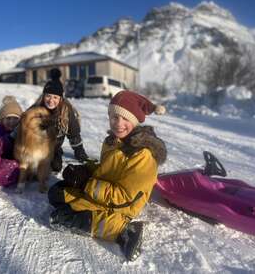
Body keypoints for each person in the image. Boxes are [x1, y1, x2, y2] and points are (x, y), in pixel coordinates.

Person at [47, 90, 167, 261]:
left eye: (126, 118)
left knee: (59, 218)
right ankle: (93, 213)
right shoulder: (112, 141)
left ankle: (123, 231)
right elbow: (106, 169)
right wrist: (84, 170)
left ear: (135, 121)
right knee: (56, 193)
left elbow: (125, 198)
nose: (118, 123)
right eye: (114, 117)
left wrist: (85, 183)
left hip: (121, 206)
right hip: (103, 193)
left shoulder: (142, 154)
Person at [33, 68, 89, 172]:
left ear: (60, 99)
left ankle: (56, 152)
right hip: (36, 146)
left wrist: (79, 152)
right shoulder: (36, 109)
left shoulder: (66, 112)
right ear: (43, 96)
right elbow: (22, 125)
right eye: (48, 96)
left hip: (54, 147)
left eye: (55, 97)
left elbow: (74, 133)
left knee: (56, 167)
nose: (51, 100)